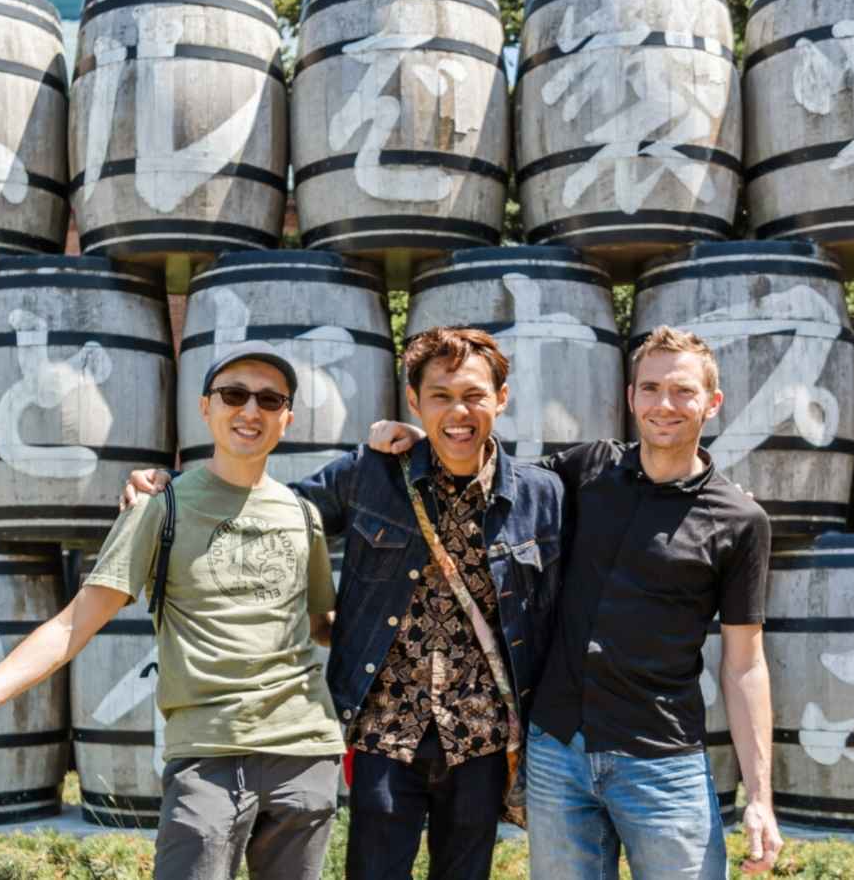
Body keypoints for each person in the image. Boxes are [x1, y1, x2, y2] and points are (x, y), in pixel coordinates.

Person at [0, 341, 344, 880]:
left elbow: (322, 627)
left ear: (287, 418)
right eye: (234, 394)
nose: (251, 411)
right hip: (207, 756)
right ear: (206, 407)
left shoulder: (303, 515)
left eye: (270, 400)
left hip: (306, 754)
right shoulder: (160, 506)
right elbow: (74, 623)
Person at [124, 327, 565, 880]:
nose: (459, 411)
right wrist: (172, 487)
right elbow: (263, 508)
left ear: (501, 398)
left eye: (475, 395)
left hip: (482, 738)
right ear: (414, 401)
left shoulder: (540, 494)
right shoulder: (370, 472)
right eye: (441, 396)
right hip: (384, 730)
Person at [369, 325, 783, 878]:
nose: (665, 404)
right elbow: (488, 476)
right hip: (558, 751)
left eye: (683, 391)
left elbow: (745, 664)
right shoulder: (587, 470)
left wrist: (760, 797)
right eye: (651, 387)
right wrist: (424, 435)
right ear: (631, 396)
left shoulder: (740, 521)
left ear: (712, 402)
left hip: (662, 759)